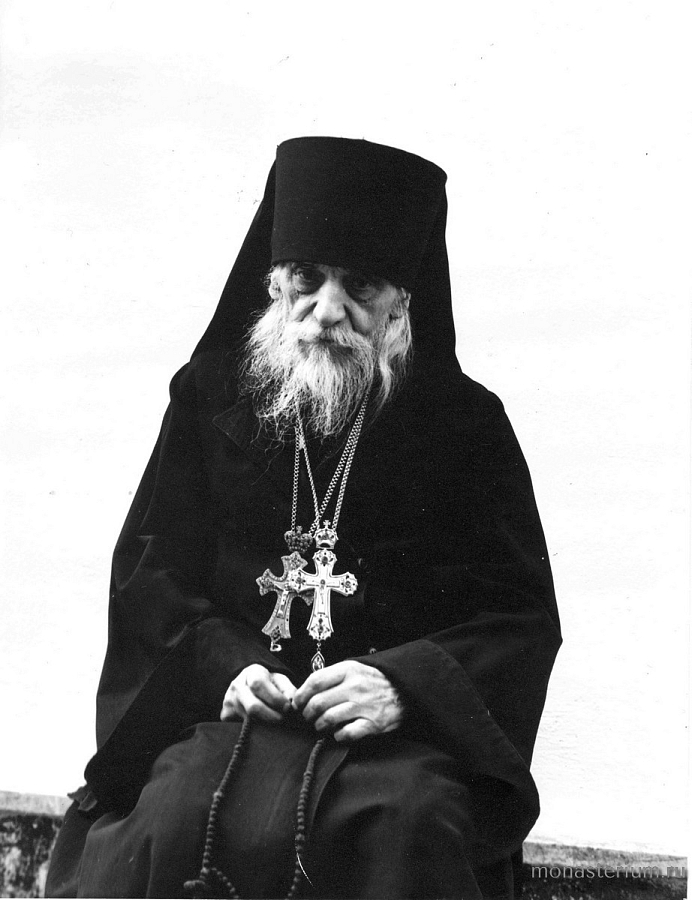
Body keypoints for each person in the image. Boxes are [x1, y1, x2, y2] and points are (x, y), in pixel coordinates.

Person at [46, 137, 561, 899]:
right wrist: (227, 668)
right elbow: (153, 570)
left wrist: (400, 686)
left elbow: (516, 617)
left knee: (404, 823)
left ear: (402, 300)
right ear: (275, 284)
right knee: (176, 812)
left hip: (392, 742)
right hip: (234, 718)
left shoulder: (464, 424)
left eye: (361, 285)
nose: (328, 310)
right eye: (308, 280)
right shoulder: (210, 396)